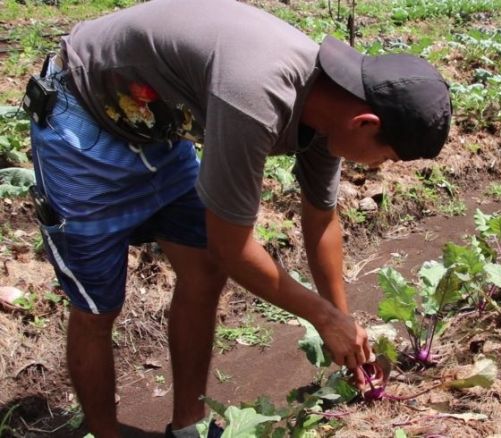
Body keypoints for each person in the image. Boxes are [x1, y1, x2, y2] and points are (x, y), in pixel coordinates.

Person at [27, 0, 452, 436]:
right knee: (98, 307)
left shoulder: (332, 106)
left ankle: (187, 426)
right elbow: (232, 248)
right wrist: (324, 319)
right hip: (82, 113)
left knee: (204, 270)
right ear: (365, 123)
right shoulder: (257, 96)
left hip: (153, 118)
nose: (378, 167)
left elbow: (321, 217)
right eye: (387, 156)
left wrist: (344, 333)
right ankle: (105, 432)